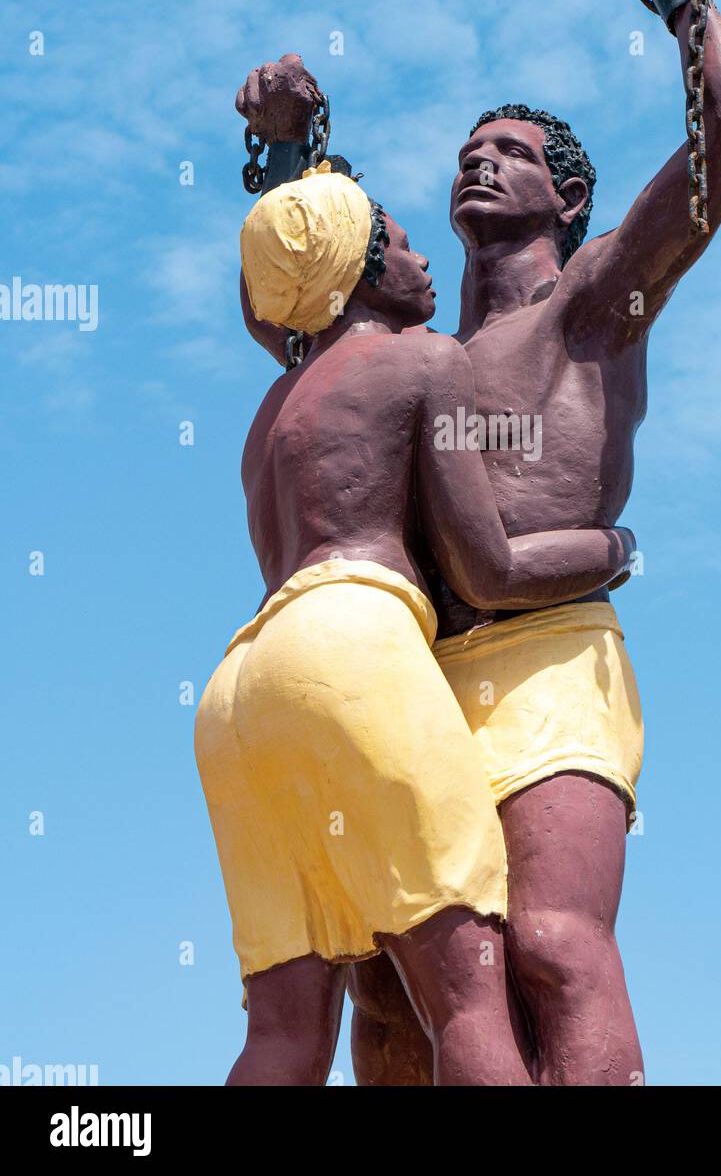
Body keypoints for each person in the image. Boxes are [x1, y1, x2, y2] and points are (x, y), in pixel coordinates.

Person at [238, 0, 721, 1086]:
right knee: (397, 994)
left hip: (545, 652)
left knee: (552, 945)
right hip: (413, 672)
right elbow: (305, 278)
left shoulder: (596, 300)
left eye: (515, 152)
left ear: (567, 198)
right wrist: (289, 157)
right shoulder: (397, 350)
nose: (481, 157)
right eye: (470, 149)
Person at [195, 160, 634, 1086]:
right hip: (355, 645)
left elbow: (286, 271)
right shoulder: (427, 358)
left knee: (283, 1031)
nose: (422, 260)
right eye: (396, 245)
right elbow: (489, 566)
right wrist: (612, 548)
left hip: (240, 689)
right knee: (467, 989)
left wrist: (289, 175)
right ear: (358, 269)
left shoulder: (273, 412)